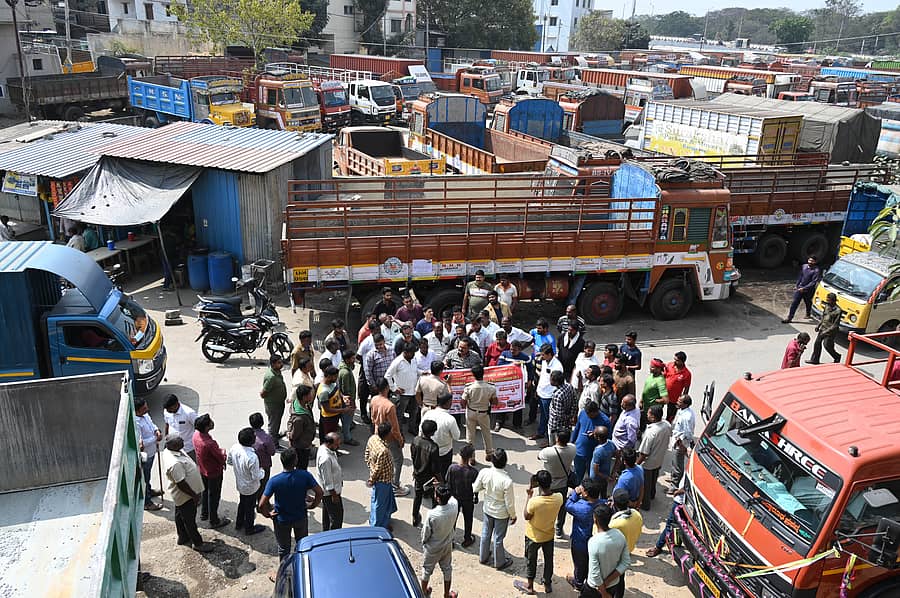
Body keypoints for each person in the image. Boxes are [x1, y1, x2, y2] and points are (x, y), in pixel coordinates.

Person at [259, 448, 323, 561]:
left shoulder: (274, 481)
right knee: (302, 545)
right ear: (295, 461)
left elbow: (261, 504)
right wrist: (312, 505)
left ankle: (284, 573)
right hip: (300, 517)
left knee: (284, 549)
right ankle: (301, 569)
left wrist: (268, 514)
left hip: (282, 519)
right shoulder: (305, 475)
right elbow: (319, 492)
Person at [514, 470, 563, 595]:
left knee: (531, 560)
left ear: (538, 485)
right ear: (550, 482)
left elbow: (526, 516)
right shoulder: (559, 498)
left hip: (533, 536)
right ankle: (547, 584)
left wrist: (529, 495)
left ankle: (530, 586)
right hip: (549, 535)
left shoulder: (534, 502)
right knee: (548, 559)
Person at [161, 434, 212, 552]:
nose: (183, 441)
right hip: (185, 495)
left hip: (182, 496)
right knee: (189, 520)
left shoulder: (172, 451)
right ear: (173, 445)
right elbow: (181, 484)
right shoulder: (175, 464)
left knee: (180, 514)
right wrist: (194, 495)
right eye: (180, 441)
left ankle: (183, 537)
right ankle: (197, 543)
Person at [473, 448, 516, 571]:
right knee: (498, 538)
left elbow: (475, 488)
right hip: (501, 514)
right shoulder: (507, 481)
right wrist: (513, 516)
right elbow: (509, 503)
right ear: (505, 462)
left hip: (487, 509)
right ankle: (499, 562)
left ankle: (483, 557)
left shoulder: (484, 472)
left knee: (485, 533)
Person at [370, 378, 409, 496]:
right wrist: (400, 440)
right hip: (390, 437)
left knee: (383, 459)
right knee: (398, 460)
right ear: (387, 388)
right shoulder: (390, 406)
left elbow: (372, 418)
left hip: (378, 433)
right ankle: (395, 485)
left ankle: (385, 481)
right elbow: (395, 428)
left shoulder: (374, 399)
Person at [581, 503, 629, 598]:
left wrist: (604, 593)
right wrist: (607, 582)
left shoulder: (594, 542)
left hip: (594, 587)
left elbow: (595, 573)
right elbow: (625, 563)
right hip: (613, 584)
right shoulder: (619, 535)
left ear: (595, 519)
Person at [420, 484, 460, 598]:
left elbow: (426, 533)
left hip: (433, 547)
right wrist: (441, 486)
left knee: (427, 570)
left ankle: (424, 593)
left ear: (437, 498)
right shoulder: (454, 505)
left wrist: (424, 542)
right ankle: (446, 595)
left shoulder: (432, 514)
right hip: (447, 544)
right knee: (447, 569)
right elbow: (451, 497)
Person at [565, 479, 603, 592]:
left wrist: (575, 494)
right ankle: (590, 581)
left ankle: (578, 583)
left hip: (580, 543)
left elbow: (568, 505)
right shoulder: (602, 504)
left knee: (579, 564)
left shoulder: (581, 507)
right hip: (596, 543)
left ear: (585, 493)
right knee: (592, 563)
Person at [193, 414, 230, 529]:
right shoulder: (209, 444)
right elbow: (220, 457)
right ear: (206, 427)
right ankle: (214, 520)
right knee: (214, 495)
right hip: (214, 472)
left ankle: (205, 513)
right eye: (210, 422)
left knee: (205, 491)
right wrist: (223, 452)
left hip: (202, 469)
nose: (212, 423)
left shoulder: (196, 435)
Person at [538, 430, 577, 539]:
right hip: (563, 483)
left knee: (543, 506)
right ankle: (559, 529)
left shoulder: (548, 452)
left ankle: (543, 528)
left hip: (547, 483)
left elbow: (538, 456)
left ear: (557, 439)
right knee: (561, 507)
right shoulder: (573, 449)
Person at [227, 427, 266, 535]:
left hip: (240, 484)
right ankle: (249, 528)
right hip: (251, 487)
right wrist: (262, 471)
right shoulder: (252, 457)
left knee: (242, 503)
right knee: (250, 508)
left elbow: (229, 462)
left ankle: (239, 523)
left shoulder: (234, 448)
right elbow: (256, 476)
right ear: (252, 441)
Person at [608, 488, 643, 598]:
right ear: (628, 502)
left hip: (616, 554)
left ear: (614, 503)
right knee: (621, 577)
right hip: (629, 548)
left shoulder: (615, 524)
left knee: (612, 578)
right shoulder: (637, 515)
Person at [637, 405, 671, 510]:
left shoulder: (651, 432)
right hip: (659, 459)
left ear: (653, 417)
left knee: (646, 484)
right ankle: (652, 495)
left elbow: (644, 453)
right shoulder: (666, 425)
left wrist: (636, 464)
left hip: (649, 462)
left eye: (649, 413)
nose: (647, 414)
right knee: (654, 479)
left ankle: (646, 504)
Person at [366, 421, 400, 528]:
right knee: (379, 505)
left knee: (386, 501)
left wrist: (370, 467)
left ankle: (385, 519)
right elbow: (378, 469)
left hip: (386, 479)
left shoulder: (373, 439)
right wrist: (372, 479)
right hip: (382, 480)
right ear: (388, 434)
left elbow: (367, 454)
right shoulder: (383, 451)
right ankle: (377, 526)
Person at [461, 364, 498, 459]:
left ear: (473, 374)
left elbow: (463, 403)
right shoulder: (491, 387)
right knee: (486, 433)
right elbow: (495, 402)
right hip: (484, 413)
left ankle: (471, 457)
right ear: (483, 373)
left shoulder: (469, 387)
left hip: (471, 412)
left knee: (470, 436)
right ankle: (489, 453)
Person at [412, 419, 443, 527]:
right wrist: (441, 481)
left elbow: (413, 456)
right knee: (434, 499)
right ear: (433, 432)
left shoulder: (415, 440)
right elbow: (436, 468)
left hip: (417, 474)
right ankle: (433, 521)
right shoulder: (433, 447)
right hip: (429, 478)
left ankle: (415, 517)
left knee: (417, 496)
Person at [421, 389, 459, 477]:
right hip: (444, 452)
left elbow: (421, 431)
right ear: (448, 403)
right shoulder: (450, 419)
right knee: (443, 475)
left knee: (429, 475)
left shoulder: (427, 414)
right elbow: (456, 437)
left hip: (427, 450)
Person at [496, 339, 533, 430]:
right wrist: (512, 364)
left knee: (517, 404)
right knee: (502, 402)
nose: (512, 351)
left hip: (518, 386)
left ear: (520, 349)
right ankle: (499, 422)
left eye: (515, 350)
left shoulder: (525, 358)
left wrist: (529, 381)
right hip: (505, 384)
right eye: (511, 349)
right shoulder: (505, 354)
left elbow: (530, 369)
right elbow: (499, 365)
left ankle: (517, 424)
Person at [446, 443, 478, 547]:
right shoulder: (473, 472)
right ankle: (467, 539)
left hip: (454, 497)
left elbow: (448, 482)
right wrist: (476, 496)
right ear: (470, 457)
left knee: (452, 519)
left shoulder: (452, 468)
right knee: (468, 519)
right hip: (468, 499)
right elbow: (476, 487)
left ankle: (450, 540)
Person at [571, 402, 610, 484]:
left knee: (592, 479)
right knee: (577, 475)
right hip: (579, 451)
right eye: (587, 413)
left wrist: (595, 435)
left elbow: (607, 439)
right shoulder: (582, 413)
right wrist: (571, 442)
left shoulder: (605, 421)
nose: (588, 415)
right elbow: (577, 428)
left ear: (596, 411)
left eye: (590, 414)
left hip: (593, 455)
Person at [135, 398, 163, 511]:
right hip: (145, 455)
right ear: (137, 411)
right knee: (144, 478)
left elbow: (152, 424)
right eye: (144, 408)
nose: (147, 409)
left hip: (152, 451)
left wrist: (156, 430)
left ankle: (149, 491)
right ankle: (147, 502)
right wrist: (155, 438)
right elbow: (140, 443)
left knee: (148, 475)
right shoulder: (136, 423)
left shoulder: (145, 416)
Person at [532, 343, 563, 441]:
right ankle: (541, 432)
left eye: (543, 355)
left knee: (550, 418)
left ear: (550, 354)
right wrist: (538, 390)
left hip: (549, 395)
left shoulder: (557, 366)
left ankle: (549, 438)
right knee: (543, 415)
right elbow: (543, 377)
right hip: (541, 393)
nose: (542, 357)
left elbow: (557, 383)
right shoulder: (545, 362)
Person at [646, 481, 686, 558]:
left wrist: (678, 492)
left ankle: (659, 546)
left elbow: (688, 486)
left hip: (681, 502)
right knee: (678, 526)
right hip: (685, 502)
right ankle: (672, 544)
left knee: (670, 525)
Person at [316, 432, 344, 531]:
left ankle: (326, 533)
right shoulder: (325, 459)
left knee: (327, 516)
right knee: (337, 519)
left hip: (330, 493)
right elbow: (327, 480)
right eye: (336, 444)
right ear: (329, 443)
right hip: (330, 494)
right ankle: (334, 538)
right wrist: (334, 495)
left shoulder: (326, 449)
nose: (338, 446)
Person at [782, 256, 822, 323]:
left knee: (808, 302)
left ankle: (808, 313)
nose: (810, 262)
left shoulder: (816, 271)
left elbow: (813, 282)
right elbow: (800, 276)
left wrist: (804, 288)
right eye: (809, 260)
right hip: (800, 289)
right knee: (794, 303)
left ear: (815, 262)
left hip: (808, 291)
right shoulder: (804, 266)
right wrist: (797, 285)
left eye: (812, 261)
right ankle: (789, 318)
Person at [318, 365, 352, 442]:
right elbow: (327, 409)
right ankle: (330, 451)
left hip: (335, 415)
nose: (336, 378)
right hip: (329, 418)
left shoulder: (332, 383)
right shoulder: (324, 391)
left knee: (333, 433)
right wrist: (344, 410)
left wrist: (343, 397)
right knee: (329, 437)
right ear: (329, 376)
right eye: (335, 377)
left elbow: (337, 391)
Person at [364, 334, 393, 423]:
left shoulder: (391, 350)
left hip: (388, 384)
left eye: (381, 344)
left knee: (387, 403)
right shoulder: (371, 355)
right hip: (377, 385)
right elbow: (368, 371)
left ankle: (385, 419)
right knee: (376, 404)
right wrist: (373, 385)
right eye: (377, 345)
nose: (379, 347)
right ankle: (375, 421)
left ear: (384, 341)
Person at [807, 292, 843, 364]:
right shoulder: (827, 306)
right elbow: (823, 317)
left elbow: (835, 325)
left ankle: (837, 356)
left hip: (831, 331)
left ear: (833, 301)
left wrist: (826, 331)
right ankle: (815, 359)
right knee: (817, 343)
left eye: (829, 300)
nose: (827, 302)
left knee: (827, 345)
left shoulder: (838, 311)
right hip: (823, 328)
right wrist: (818, 325)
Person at [287, 384, 316, 469]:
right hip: (301, 446)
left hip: (305, 442)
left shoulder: (301, 404)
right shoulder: (300, 418)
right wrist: (290, 434)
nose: (311, 396)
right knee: (302, 467)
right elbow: (295, 434)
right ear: (304, 397)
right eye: (310, 394)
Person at [249, 412, 276, 498]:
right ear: (262, 422)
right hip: (264, 466)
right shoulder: (266, 438)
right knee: (263, 487)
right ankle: (262, 504)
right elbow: (272, 452)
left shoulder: (247, 435)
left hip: (251, 465)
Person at [163, 394, 198, 461]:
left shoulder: (189, 413)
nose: (168, 411)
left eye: (169, 409)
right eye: (167, 409)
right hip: (173, 449)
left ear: (176, 404)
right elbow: (167, 424)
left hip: (188, 448)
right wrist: (166, 440)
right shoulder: (167, 411)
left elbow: (199, 428)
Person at [261, 354, 288, 439]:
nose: (281, 364)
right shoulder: (271, 377)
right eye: (279, 363)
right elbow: (263, 393)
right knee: (273, 425)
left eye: (281, 362)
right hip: (273, 406)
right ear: (273, 364)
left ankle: (275, 435)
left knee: (276, 423)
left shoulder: (277, 371)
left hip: (279, 403)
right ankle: (274, 443)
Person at [548, 370, 577, 444]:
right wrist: (571, 416)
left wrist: (551, 409)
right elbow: (574, 402)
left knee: (554, 444)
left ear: (556, 382)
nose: (550, 381)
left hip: (556, 424)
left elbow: (559, 414)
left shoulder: (557, 395)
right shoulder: (569, 386)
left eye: (551, 379)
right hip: (567, 424)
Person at [337, 350, 360, 446]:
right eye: (352, 358)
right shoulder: (345, 373)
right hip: (347, 400)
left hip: (344, 399)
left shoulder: (343, 367)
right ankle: (347, 437)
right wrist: (351, 402)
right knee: (346, 419)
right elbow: (346, 390)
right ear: (347, 359)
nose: (354, 360)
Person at [640, 358, 669, 428]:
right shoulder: (651, 376)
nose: (650, 368)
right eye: (650, 366)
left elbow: (666, 400)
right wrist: (641, 401)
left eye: (652, 367)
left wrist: (655, 401)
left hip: (652, 412)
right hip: (645, 408)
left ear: (659, 369)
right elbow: (645, 389)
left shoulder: (660, 381)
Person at [664, 351, 691, 421]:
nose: (675, 362)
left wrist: (682, 401)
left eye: (677, 360)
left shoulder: (687, 374)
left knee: (670, 416)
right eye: (674, 359)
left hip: (674, 399)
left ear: (682, 361)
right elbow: (663, 376)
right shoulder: (669, 365)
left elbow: (686, 388)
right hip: (663, 394)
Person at [590, 426, 615, 498]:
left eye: (594, 434)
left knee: (594, 496)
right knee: (603, 493)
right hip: (606, 474)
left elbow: (596, 471)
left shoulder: (598, 452)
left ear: (598, 438)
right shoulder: (611, 443)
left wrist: (607, 478)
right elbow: (618, 457)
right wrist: (613, 472)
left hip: (596, 478)